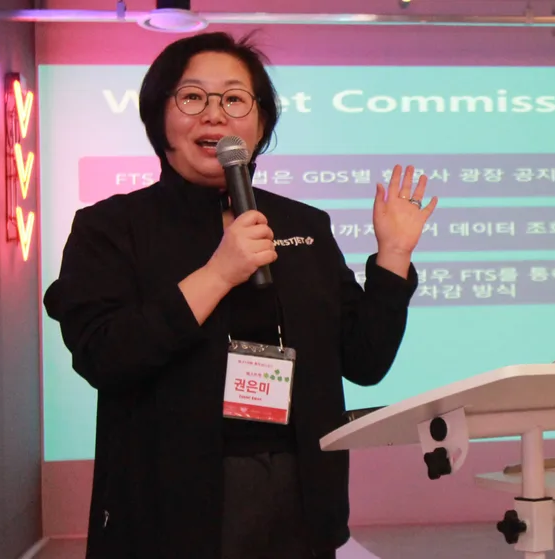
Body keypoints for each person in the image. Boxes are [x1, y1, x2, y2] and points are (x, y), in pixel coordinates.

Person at [42, 31, 437, 559]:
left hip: (299, 494)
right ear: (159, 117)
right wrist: (219, 273)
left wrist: (393, 257)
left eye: (234, 99)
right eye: (192, 97)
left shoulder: (303, 224)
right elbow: (106, 356)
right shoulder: (111, 227)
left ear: (261, 124)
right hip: (167, 503)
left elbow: (365, 361)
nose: (214, 115)